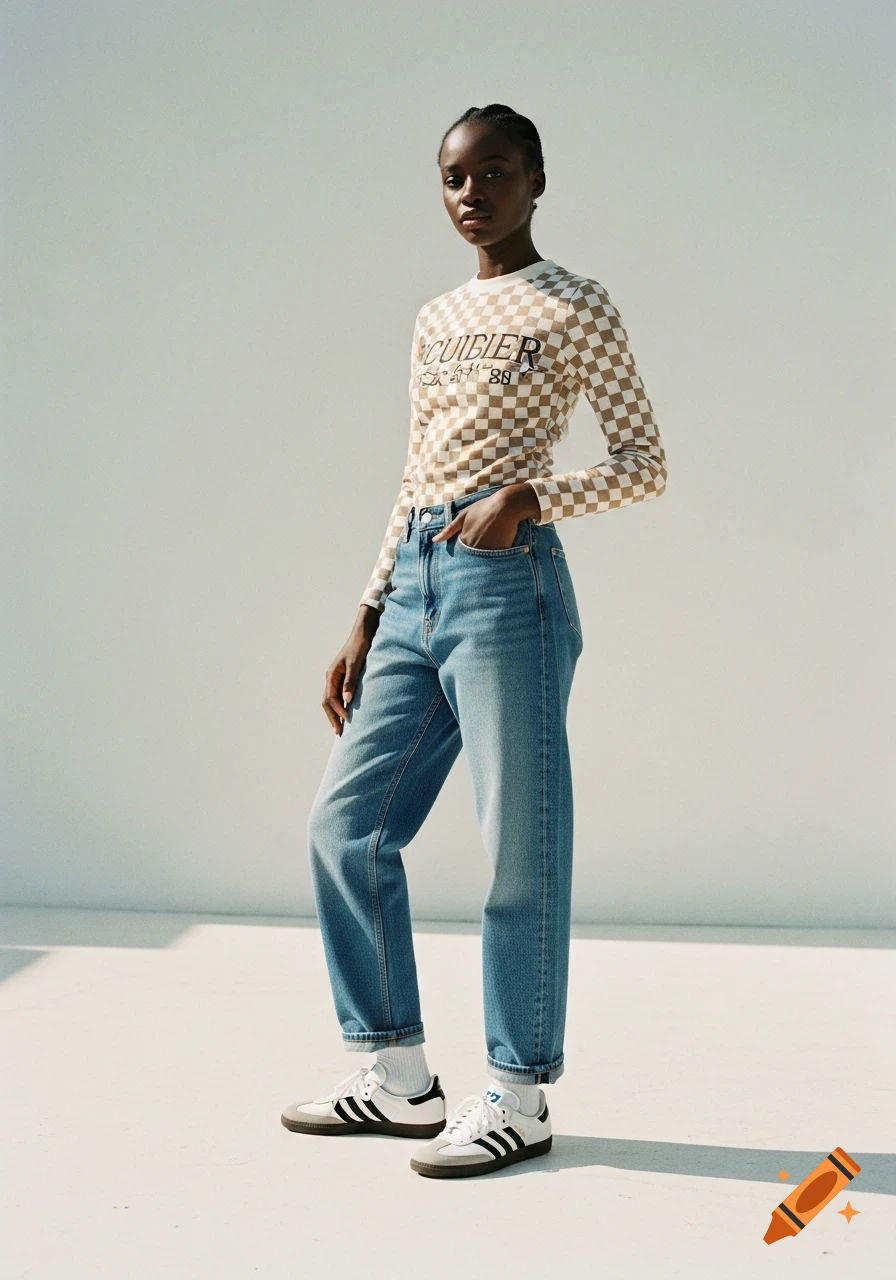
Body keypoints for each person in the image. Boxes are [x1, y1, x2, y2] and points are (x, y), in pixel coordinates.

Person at [281, 103, 668, 1179]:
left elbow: (643, 459)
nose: (470, 194)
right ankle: (397, 1073)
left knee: (516, 842)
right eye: (453, 177)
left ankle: (520, 1087)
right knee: (344, 824)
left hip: (508, 585)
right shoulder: (432, 315)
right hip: (413, 580)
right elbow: (412, 471)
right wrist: (367, 609)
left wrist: (529, 496)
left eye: (493, 174)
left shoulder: (575, 303)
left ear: (536, 182)